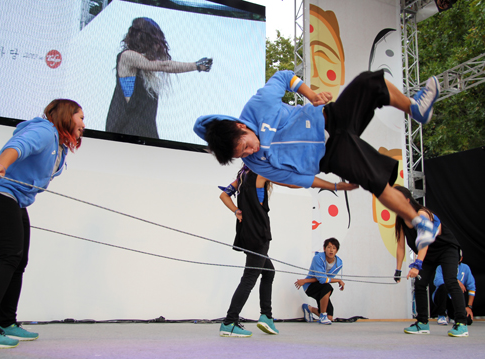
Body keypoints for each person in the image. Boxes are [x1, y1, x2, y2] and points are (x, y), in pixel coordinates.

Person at [194, 70, 441, 252]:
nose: (250, 152)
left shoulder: (258, 105)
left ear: (241, 126)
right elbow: (295, 178)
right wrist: (334, 186)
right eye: (243, 155)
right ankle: (419, 222)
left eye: (246, 145)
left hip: (330, 118)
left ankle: (415, 107)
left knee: (369, 82)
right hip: (331, 154)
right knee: (376, 181)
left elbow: (284, 77)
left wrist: (311, 95)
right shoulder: (256, 163)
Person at [0, 99, 85, 348]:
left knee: (18, 261)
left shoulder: (58, 144)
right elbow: (18, 146)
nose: (84, 124)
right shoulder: (43, 131)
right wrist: (1, 164)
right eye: (80, 118)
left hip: (16, 199)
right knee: (9, 256)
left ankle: (7, 322)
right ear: (65, 116)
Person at [106, 17, 212, 139]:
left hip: (144, 131)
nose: (158, 46)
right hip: (125, 131)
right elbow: (164, 65)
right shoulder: (127, 56)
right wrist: (196, 66)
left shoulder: (145, 66)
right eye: (155, 41)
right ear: (144, 39)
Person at [394, 186, 469, 337]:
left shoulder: (422, 214)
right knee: (420, 285)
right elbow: (401, 247)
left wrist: (417, 265)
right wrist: (398, 270)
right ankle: (422, 323)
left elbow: (424, 241)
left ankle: (461, 324)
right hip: (428, 254)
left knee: (450, 281)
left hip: (445, 249)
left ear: (407, 200)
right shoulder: (401, 220)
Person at [218, 164, 278, 337]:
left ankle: (266, 316)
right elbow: (289, 182)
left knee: (268, 272)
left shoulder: (242, 177)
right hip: (258, 234)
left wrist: (236, 210)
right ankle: (229, 322)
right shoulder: (260, 175)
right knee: (249, 278)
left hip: (247, 232)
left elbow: (224, 195)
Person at [294, 238, 345, 325]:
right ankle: (323, 316)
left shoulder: (339, 264)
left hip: (321, 286)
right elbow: (322, 279)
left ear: (336, 251)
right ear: (324, 249)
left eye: (334, 248)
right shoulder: (317, 258)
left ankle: (310, 309)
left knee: (330, 318)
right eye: (329, 247)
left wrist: (305, 280)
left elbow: (326, 279)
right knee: (327, 287)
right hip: (310, 286)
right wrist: (338, 280)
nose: (331, 250)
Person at [432, 249, 476, 326]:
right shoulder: (441, 267)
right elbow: (437, 282)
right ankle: (441, 315)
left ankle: (452, 315)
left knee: (467, 321)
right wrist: (456, 281)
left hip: (454, 299)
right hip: (441, 297)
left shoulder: (465, 268)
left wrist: (469, 306)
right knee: (444, 286)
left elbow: (471, 287)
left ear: (461, 258)